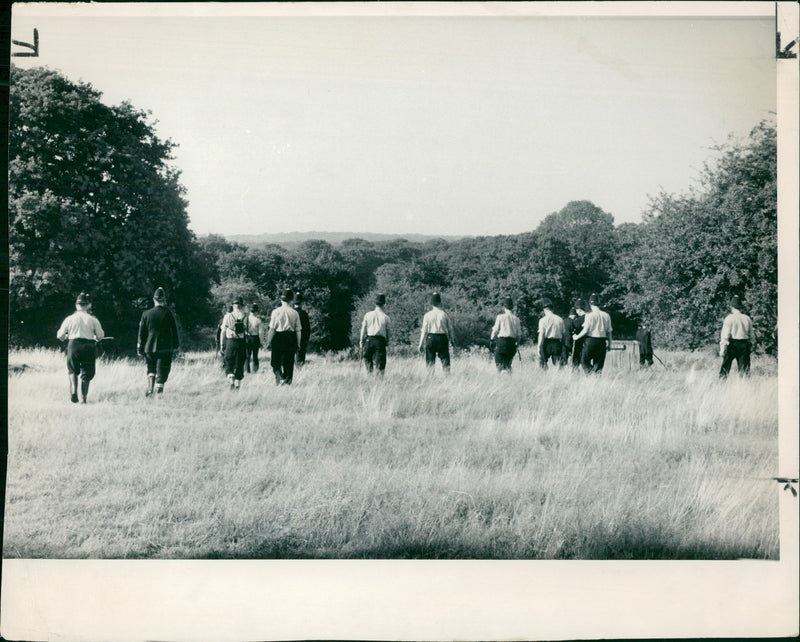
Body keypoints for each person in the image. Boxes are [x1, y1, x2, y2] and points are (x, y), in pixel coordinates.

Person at [56, 292, 105, 403]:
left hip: (74, 345)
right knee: (87, 373)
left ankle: (73, 391)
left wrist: (67, 337)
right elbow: (101, 336)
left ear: (76, 305)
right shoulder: (93, 319)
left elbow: (60, 335)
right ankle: (84, 399)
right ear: (88, 305)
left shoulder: (69, 318)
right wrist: (96, 337)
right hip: (89, 346)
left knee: (72, 370)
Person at [137, 287, 180, 397]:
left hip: (149, 347)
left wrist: (140, 347)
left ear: (154, 299)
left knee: (151, 368)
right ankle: (159, 394)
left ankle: (150, 388)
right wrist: (176, 345)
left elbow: (142, 333)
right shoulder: (168, 313)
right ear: (164, 300)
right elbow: (174, 331)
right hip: (165, 347)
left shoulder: (146, 314)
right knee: (162, 371)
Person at [266, 289, 302, 385]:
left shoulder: (275, 312)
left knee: (275, 362)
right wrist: (298, 344)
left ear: (281, 300)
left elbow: (272, 328)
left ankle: (279, 377)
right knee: (289, 363)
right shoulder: (295, 313)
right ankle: (287, 382)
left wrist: (269, 341)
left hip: (278, 337)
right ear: (291, 301)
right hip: (290, 337)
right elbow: (298, 330)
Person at [573, 293, 613, 373]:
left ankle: (591, 375)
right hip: (602, 342)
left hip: (590, 341)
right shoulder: (606, 315)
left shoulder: (589, 315)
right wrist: (610, 344)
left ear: (590, 304)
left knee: (584, 361)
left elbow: (586, 330)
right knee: (598, 365)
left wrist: (577, 337)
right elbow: (609, 332)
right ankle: (596, 378)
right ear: (599, 303)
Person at [418, 292, 456, 376]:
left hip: (431, 337)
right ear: (440, 302)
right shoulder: (444, 315)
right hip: (442, 338)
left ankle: (430, 378)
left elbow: (424, 330)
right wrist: (452, 340)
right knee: (445, 359)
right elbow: (450, 329)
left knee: (430, 360)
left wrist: (420, 343)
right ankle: (447, 377)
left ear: (431, 303)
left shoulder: (427, 315)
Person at [719, 295, 755, 378]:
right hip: (744, 344)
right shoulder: (747, 318)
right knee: (744, 369)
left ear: (731, 307)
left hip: (732, 344)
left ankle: (721, 385)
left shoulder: (729, 318)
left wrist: (722, 348)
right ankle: (743, 386)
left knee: (725, 368)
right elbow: (752, 335)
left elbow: (725, 335)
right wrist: (752, 345)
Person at [359, 293, 391, 376]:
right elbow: (388, 332)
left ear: (375, 303)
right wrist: (387, 341)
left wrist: (361, 340)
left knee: (367, 359)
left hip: (369, 340)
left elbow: (363, 328)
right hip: (380, 341)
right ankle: (379, 381)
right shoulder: (386, 317)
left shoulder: (367, 315)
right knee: (380, 364)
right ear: (384, 304)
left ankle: (369, 376)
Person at [220, 297, 248, 389]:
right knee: (240, 362)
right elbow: (247, 331)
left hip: (230, 341)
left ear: (233, 305)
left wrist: (221, 344)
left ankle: (231, 378)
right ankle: (238, 385)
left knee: (228, 360)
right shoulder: (245, 316)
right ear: (241, 305)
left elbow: (223, 331)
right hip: (241, 342)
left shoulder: (228, 316)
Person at [489, 296, 522, 372]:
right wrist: (517, 344)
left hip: (502, 342)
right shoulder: (517, 319)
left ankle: (502, 379)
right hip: (512, 343)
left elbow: (495, 330)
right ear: (512, 307)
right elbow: (519, 335)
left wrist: (491, 340)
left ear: (504, 307)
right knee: (508, 364)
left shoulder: (500, 317)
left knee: (499, 362)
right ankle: (509, 379)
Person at [537, 298, 565, 369]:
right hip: (557, 343)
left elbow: (541, 334)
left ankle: (544, 376)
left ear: (544, 309)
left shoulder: (542, 320)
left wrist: (539, 346)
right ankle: (559, 377)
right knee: (558, 364)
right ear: (552, 308)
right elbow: (563, 334)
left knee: (543, 362)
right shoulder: (560, 319)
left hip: (546, 343)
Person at [245, 302, 263, 373]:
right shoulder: (258, 320)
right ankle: (255, 370)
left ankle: (247, 370)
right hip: (255, 338)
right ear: (256, 311)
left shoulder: (246, 319)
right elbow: (260, 332)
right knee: (255, 355)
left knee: (247, 355)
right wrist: (261, 342)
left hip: (247, 337)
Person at [294, 293, 311, 367]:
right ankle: (299, 371)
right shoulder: (304, 314)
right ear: (302, 302)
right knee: (300, 359)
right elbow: (307, 328)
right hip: (302, 338)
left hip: (290, 337)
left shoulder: (291, 312)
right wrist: (306, 339)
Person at [570, 299, 587, 369]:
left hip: (580, 343)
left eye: (577, 310)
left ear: (579, 309)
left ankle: (575, 377)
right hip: (588, 342)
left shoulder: (579, 320)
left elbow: (572, 327)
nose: (576, 312)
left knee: (576, 362)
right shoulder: (590, 317)